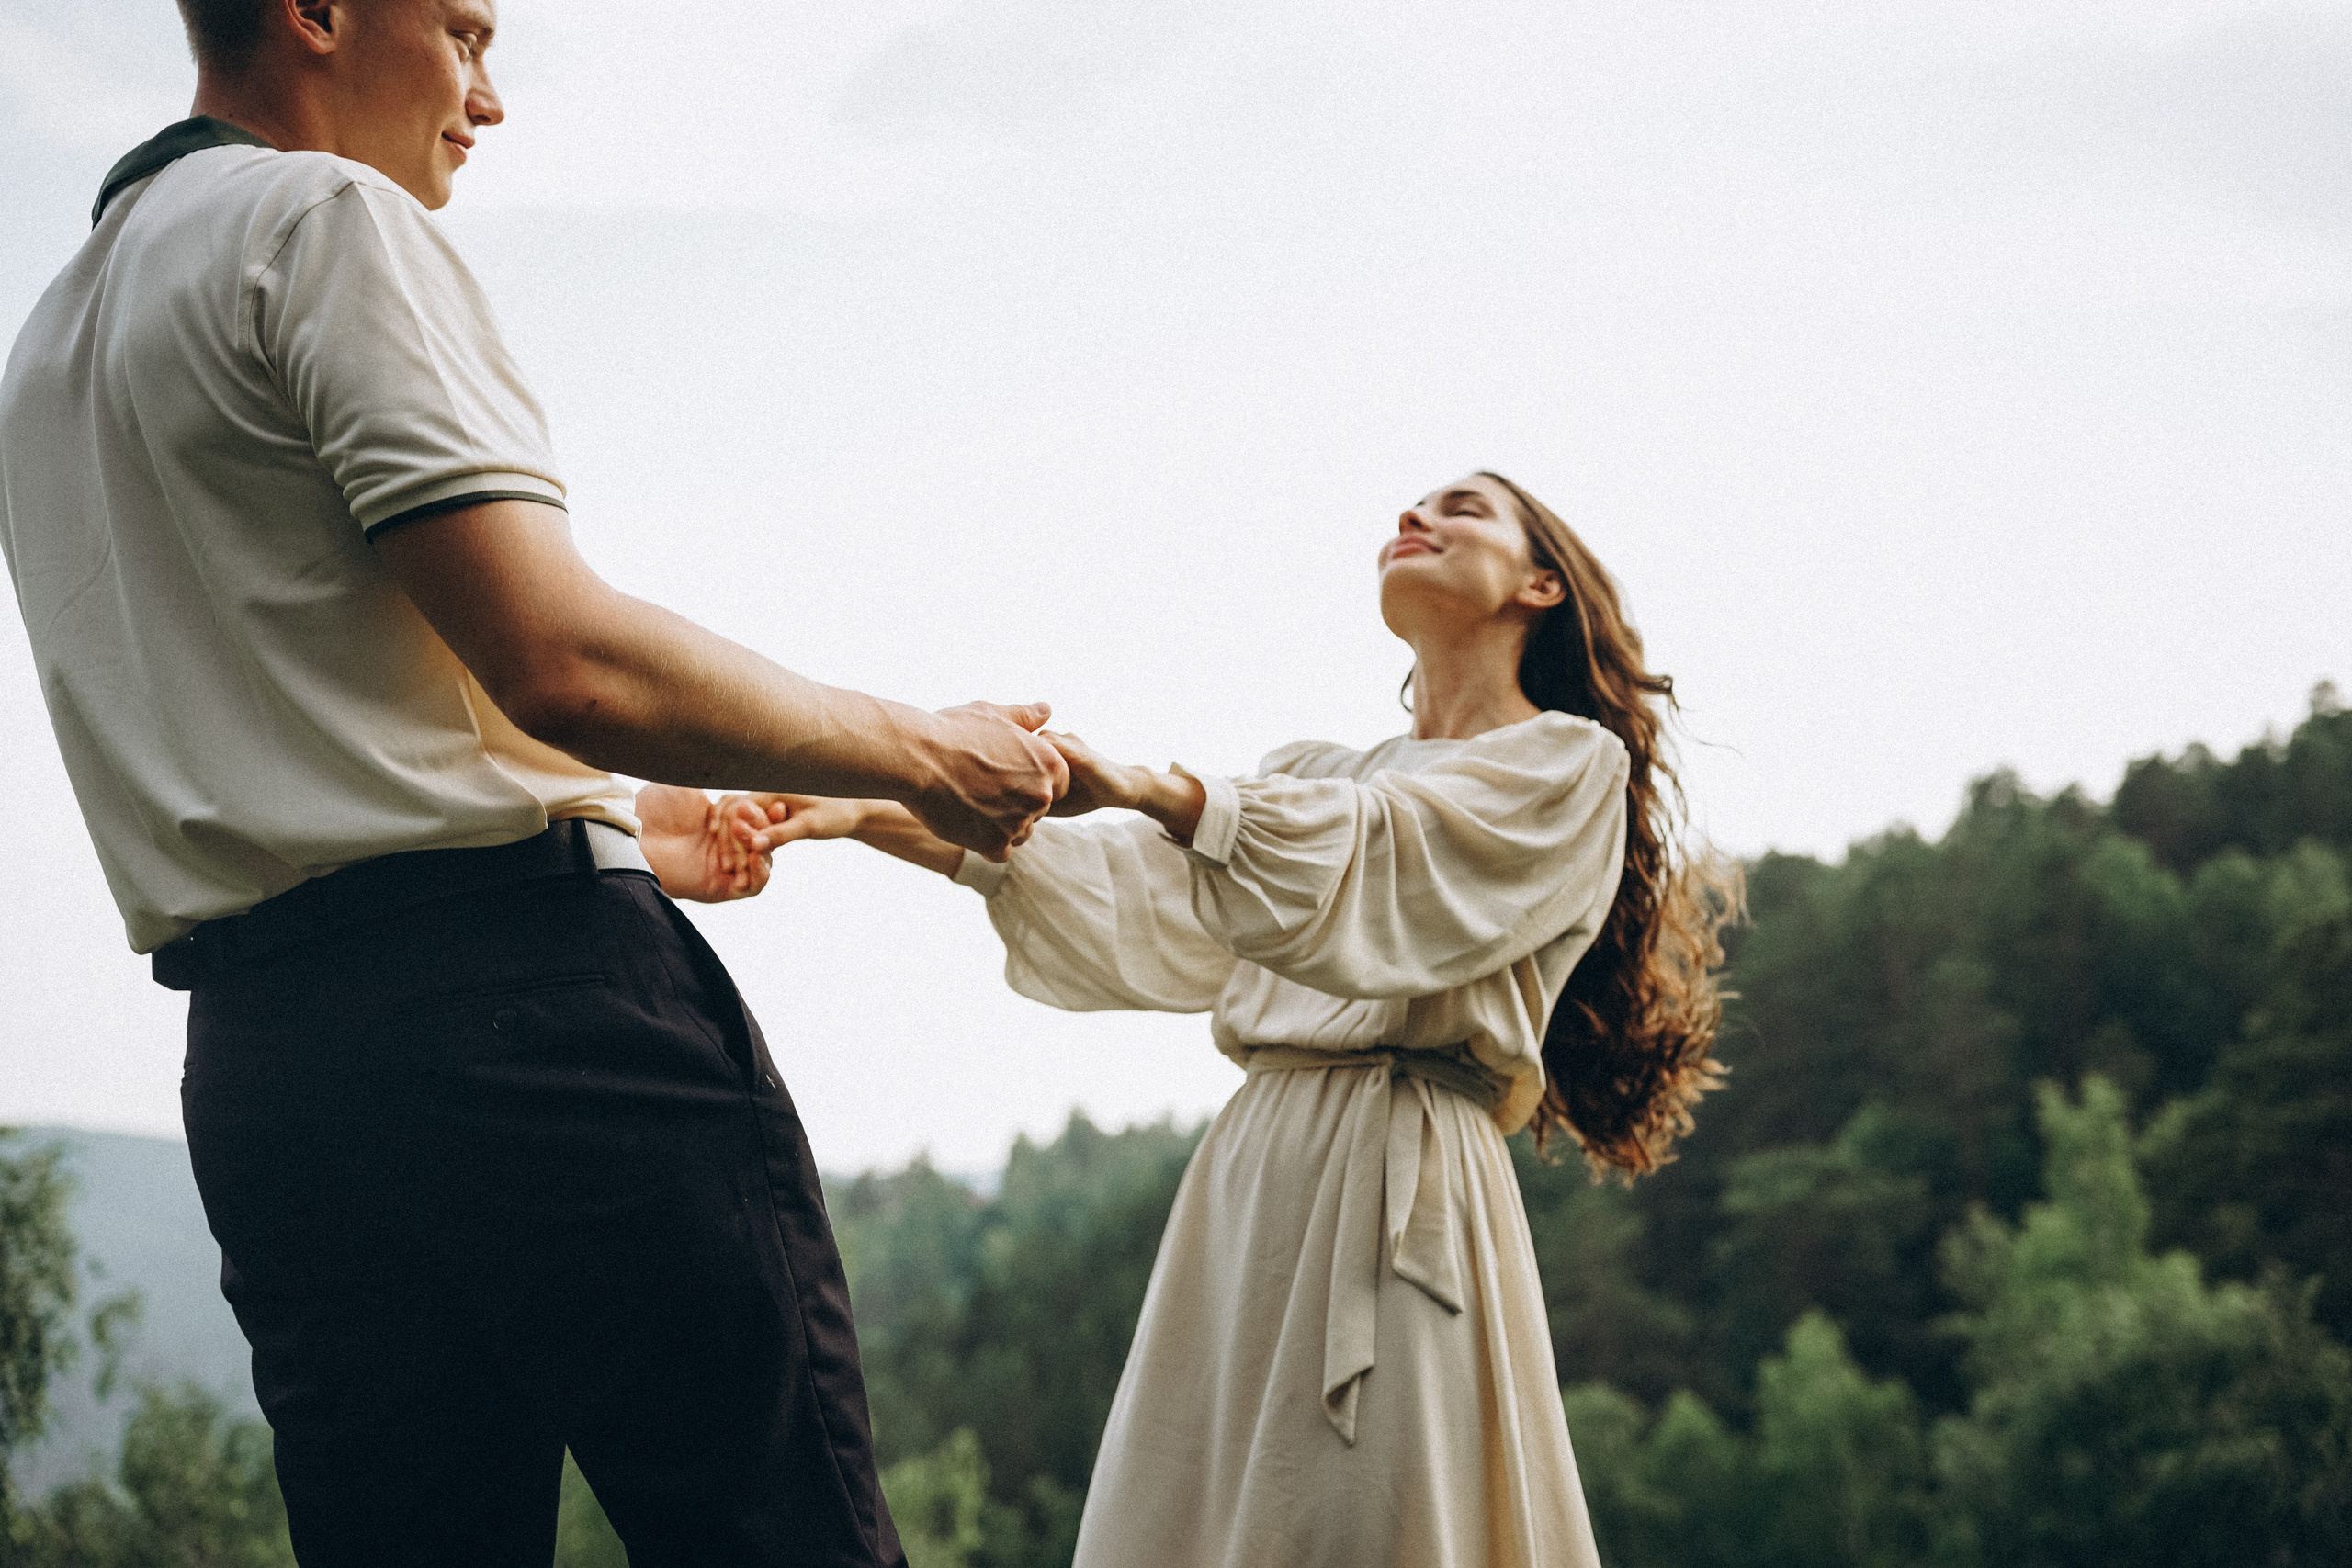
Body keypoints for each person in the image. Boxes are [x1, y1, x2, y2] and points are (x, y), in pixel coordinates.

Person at [0, 3, 1069, 1563]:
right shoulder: (318, 219)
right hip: (536, 1029)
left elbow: (294, 688)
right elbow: (564, 661)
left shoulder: (49, 344)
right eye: (462, 31)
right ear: (316, 13)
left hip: (270, 1076)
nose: (488, 98)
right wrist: (927, 750)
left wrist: (614, 817)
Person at [758, 471, 1737, 1567]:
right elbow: (1142, 891)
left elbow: (1393, 856)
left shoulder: (1564, 766)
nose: (1414, 517)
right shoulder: (1314, 778)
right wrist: (862, 812)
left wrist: (1145, 787)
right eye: (1409, 506)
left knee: (1372, 1520)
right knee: (1197, 1517)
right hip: (1254, 1177)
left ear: (1541, 583)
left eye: (1461, 509)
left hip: (1404, 1182)